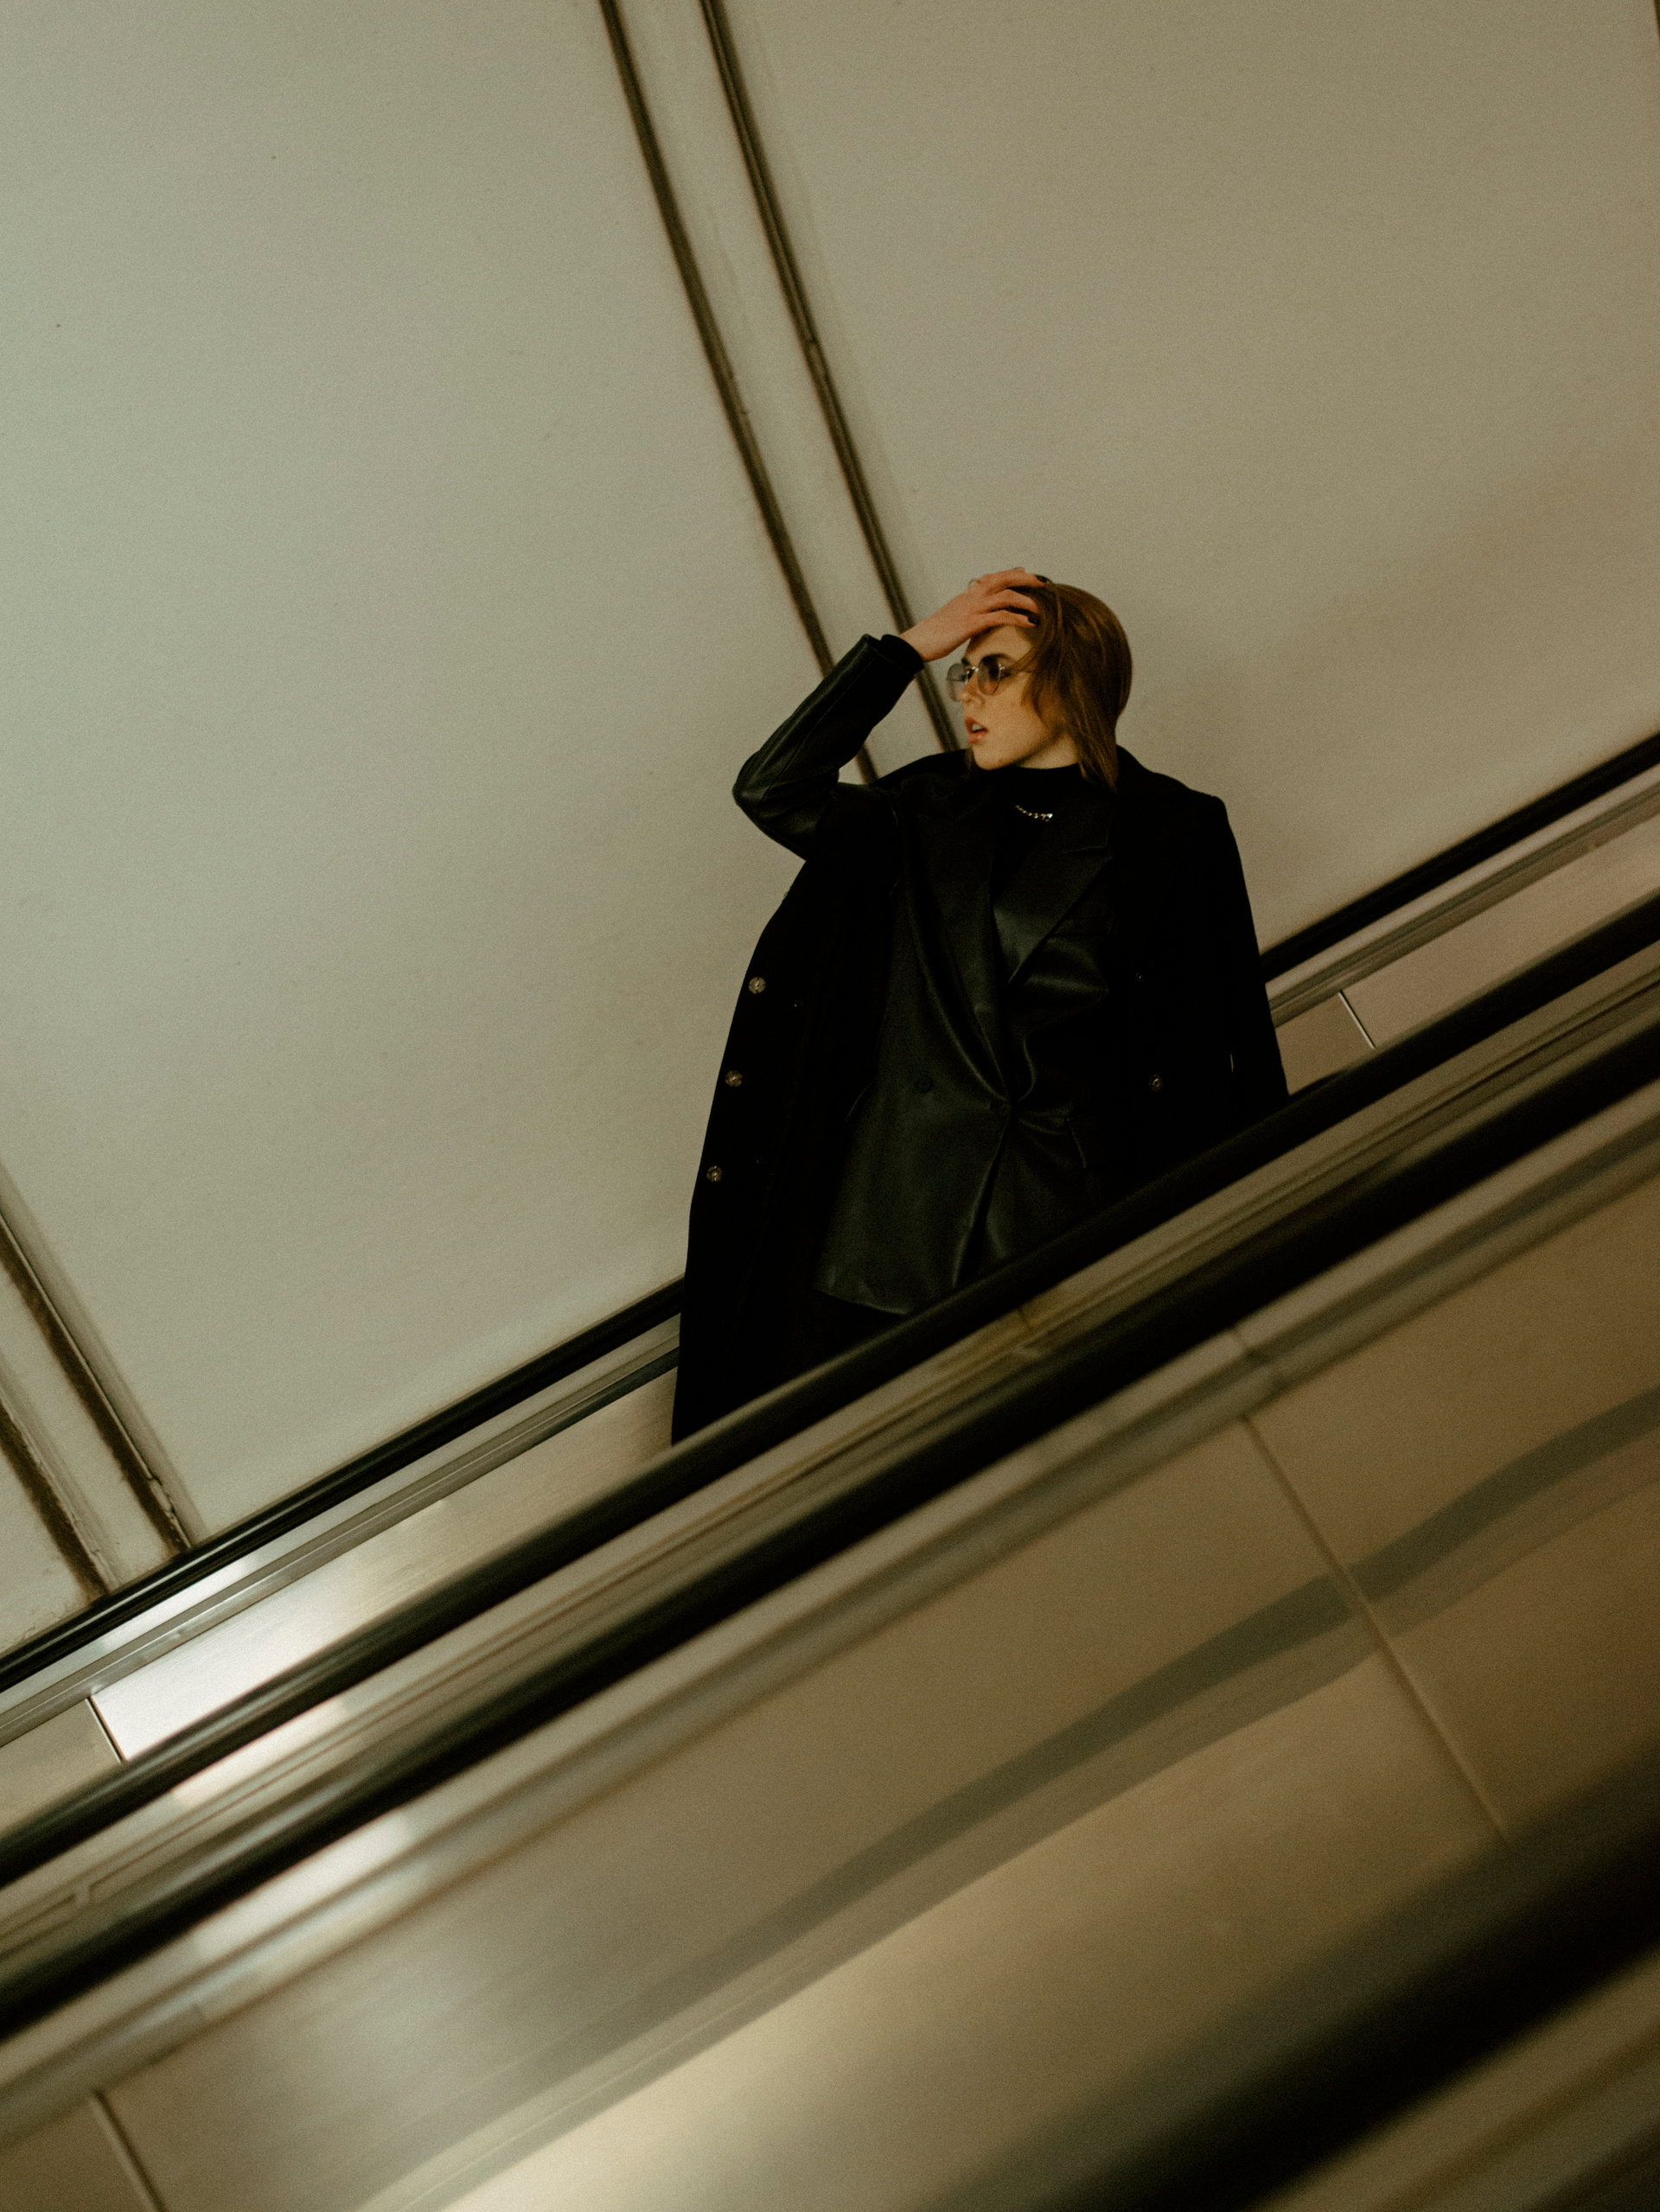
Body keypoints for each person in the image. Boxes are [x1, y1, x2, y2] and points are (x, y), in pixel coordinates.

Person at [671, 569, 1286, 1440]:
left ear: (1072, 679)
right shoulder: (923, 809)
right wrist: (906, 649)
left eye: (995, 670)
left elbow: (1226, 1032)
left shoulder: (1171, 828)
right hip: (885, 1226)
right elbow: (772, 788)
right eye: (964, 672)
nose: (968, 694)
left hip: (1060, 1228)